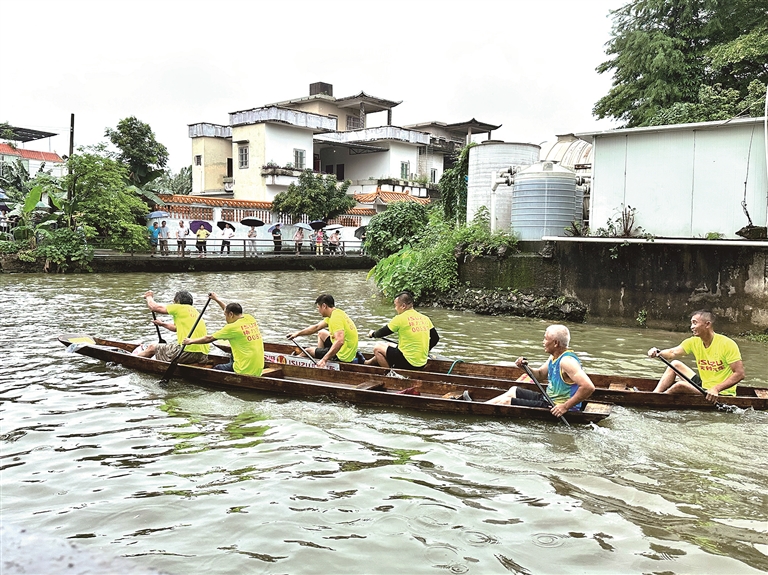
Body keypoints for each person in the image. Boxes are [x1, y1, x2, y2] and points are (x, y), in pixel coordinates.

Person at [485, 324, 595, 417]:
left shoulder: (566, 361)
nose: (543, 342)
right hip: (547, 399)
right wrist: (525, 368)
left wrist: (565, 407)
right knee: (514, 390)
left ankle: (479, 409)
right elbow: (540, 375)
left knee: (506, 402)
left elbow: (588, 387)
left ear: (555, 343)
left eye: (546, 339)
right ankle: (479, 405)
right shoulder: (554, 357)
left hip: (556, 407)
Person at [647, 309, 744, 402]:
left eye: (695, 323)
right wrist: (658, 352)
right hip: (703, 386)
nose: (691, 327)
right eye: (691, 323)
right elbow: (672, 353)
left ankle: (658, 400)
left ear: (707, 324)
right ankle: (654, 395)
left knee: (680, 386)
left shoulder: (727, 344)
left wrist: (716, 389)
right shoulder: (693, 341)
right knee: (675, 364)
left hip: (720, 393)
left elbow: (739, 374)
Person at [183, 293, 264, 376]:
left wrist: (190, 341)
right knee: (233, 353)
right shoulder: (250, 318)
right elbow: (227, 310)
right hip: (258, 368)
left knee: (217, 369)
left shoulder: (232, 328)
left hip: (244, 370)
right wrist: (216, 299)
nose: (225, 318)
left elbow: (209, 338)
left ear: (231, 314)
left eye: (225, 315)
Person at [365, 291, 440, 370]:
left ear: (403, 306)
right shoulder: (425, 318)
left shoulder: (400, 318)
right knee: (389, 344)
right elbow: (435, 338)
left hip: (407, 362)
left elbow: (381, 333)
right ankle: (367, 363)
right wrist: (425, 351)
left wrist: (372, 334)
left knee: (377, 348)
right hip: (422, 362)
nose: (395, 308)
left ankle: (390, 374)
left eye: (396, 305)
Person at [286, 294, 361, 368]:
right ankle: (319, 358)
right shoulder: (336, 313)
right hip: (347, 348)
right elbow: (316, 327)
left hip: (343, 355)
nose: (318, 310)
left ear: (324, 306)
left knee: (308, 351)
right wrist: (297, 334)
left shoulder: (335, 319)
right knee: (321, 333)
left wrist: (324, 359)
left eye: (318, 307)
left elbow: (340, 341)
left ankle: (293, 364)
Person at [136, 290, 210, 364]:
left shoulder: (180, 307)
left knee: (152, 347)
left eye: (174, 301)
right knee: (169, 346)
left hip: (186, 352)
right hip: (203, 356)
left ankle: (133, 359)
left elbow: (154, 307)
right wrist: (162, 324)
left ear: (177, 302)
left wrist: (149, 296)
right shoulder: (195, 312)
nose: (173, 303)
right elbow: (175, 328)